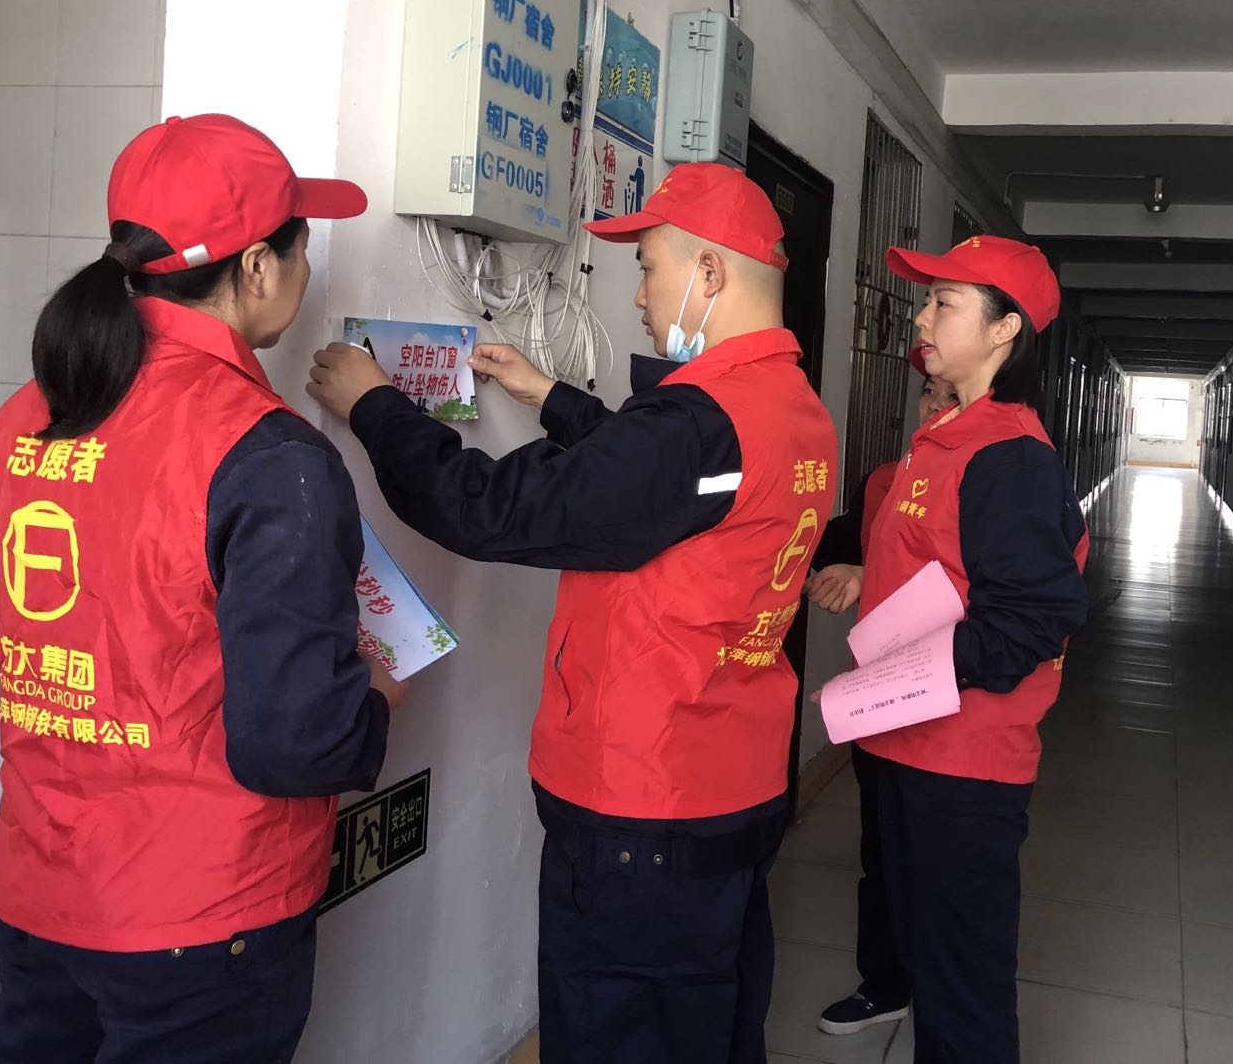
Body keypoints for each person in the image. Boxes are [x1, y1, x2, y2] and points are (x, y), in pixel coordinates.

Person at [305, 162, 839, 1064]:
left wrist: (374, 406)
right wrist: (549, 395)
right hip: (734, 787)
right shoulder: (792, 410)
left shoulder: (694, 426)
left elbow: (490, 509)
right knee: (712, 1025)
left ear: (710, 273)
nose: (639, 294)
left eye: (650, 267)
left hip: (645, 809)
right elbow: (670, 490)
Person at [0, 113, 403, 1064]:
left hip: (41, 898)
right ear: (256, 268)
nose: (306, 270)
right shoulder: (269, 453)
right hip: (204, 921)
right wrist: (376, 701)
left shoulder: (24, 416)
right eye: (300, 246)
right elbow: (294, 741)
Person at [857, 235, 1089, 1064]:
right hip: (904, 742)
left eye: (943, 302)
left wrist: (916, 665)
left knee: (962, 990)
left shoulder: (1011, 456)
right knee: (929, 960)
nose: (922, 317)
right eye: (927, 300)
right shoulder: (948, 433)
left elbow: (1035, 618)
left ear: (1004, 328)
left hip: (963, 765)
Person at [805, 351, 956, 1036]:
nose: (935, 409)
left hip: (956, 711)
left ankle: (946, 989)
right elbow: (835, 546)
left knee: (942, 862)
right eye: (929, 393)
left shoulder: (994, 482)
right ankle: (886, 982)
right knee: (882, 850)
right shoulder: (886, 483)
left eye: (953, 397)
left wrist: (876, 577)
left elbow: (989, 594)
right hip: (883, 703)